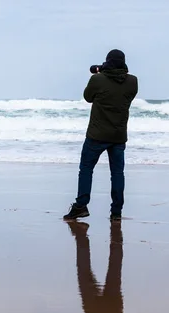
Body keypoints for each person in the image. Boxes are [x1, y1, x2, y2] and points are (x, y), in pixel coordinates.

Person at [64, 49, 138, 221]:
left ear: (107, 62)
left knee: (86, 169)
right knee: (117, 173)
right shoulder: (132, 82)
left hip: (96, 135)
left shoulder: (98, 79)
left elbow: (88, 97)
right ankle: (116, 212)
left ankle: (81, 206)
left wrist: (101, 72)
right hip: (118, 136)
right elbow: (124, 93)